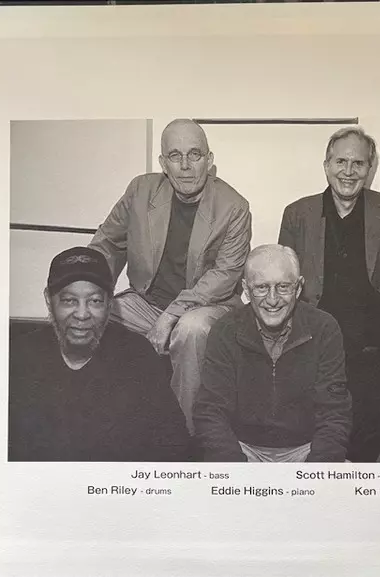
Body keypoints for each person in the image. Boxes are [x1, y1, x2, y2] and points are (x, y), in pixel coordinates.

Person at [278, 125, 380, 462]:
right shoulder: (297, 213)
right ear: (326, 165)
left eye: (358, 163)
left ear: (370, 169)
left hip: (377, 318)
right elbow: (285, 277)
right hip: (320, 320)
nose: (348, 171)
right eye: (340, 162)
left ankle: (366, 460)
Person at [89, 119, 252, 434]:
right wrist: (86, 285)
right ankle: (102, 424)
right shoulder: (141, 191)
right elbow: (107, 243)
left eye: (195, 154)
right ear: (163, 163)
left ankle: (184, 435)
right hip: (147, 303)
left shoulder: (234, 207)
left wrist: (170, 317)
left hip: (208, 308)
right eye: (176, 156)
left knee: (191, 329)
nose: (186, 166)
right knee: (90, 314)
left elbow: (225, 275)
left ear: (209, 159)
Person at [8, 247, 191, 462]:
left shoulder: (137, 356)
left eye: (95, 301)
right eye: (69, 300)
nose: (82, 314)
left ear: (110, 303)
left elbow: (174, 444)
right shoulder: (20, 356)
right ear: (49, 300)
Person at [193, 245, 352, 462]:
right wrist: (237, 469)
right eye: (261, 287)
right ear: (246, 289)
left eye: (283, 287)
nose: (273, 299)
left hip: (305, 449)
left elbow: (335, 414)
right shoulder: (225, 330)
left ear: (298, 288)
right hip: (243, 449)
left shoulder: (324, 328)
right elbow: (211, 411)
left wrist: (314, 470)